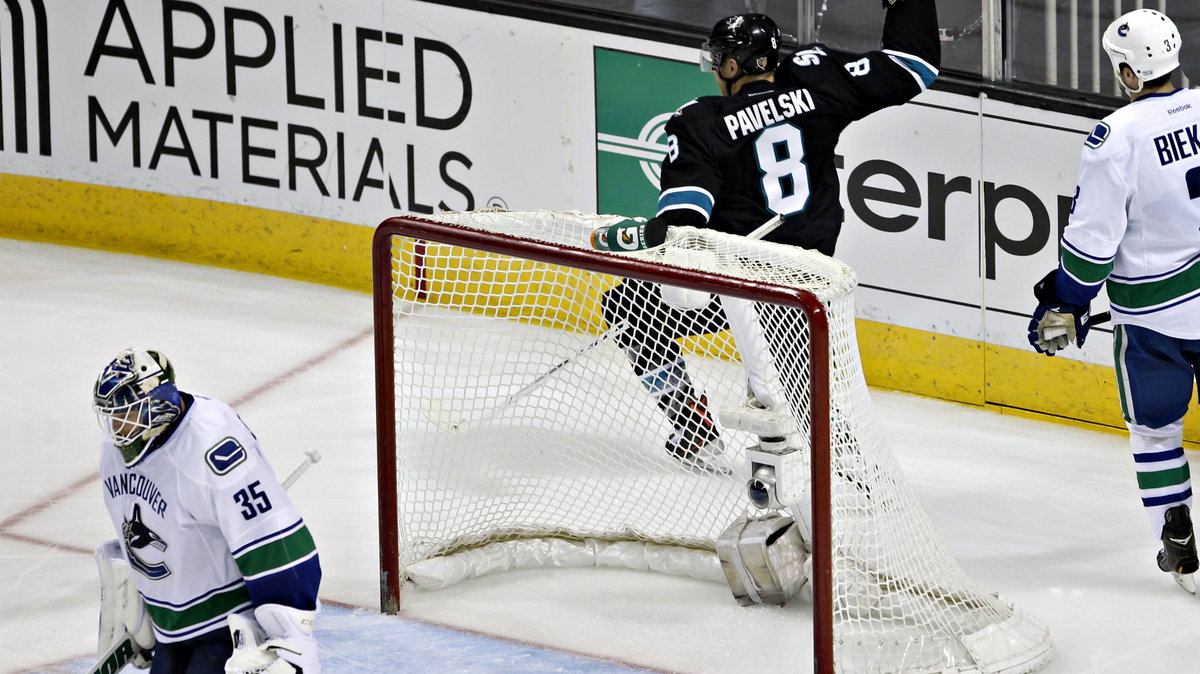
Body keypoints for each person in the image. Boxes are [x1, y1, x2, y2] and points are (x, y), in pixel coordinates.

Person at [599, 0, 940, 471]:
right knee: (796, 378)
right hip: (812, 271)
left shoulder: (701, 119)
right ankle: (847, 469)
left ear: (733, 65)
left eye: (719, 60)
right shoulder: (818, 80)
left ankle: (695, 432)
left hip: (746, 278)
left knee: (631, 308)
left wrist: (667, 238)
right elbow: (915, 65)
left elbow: (686, 214)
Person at [1027, 8, 1200, 594]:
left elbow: (1093, 243)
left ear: (1128, 70)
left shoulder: (1116, 135)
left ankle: (1177, 542)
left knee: (1156, 430)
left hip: (1155, 319)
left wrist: (1067, 303)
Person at [91, 348, 322, 671]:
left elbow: (270, 533)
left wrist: (291, 634)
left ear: (159, 403)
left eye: (125, 412)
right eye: (111, 414)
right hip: (171, 629)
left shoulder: (211, 440)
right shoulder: (114, 450)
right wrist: (143, 604)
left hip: (227, 626)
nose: (116, 425)